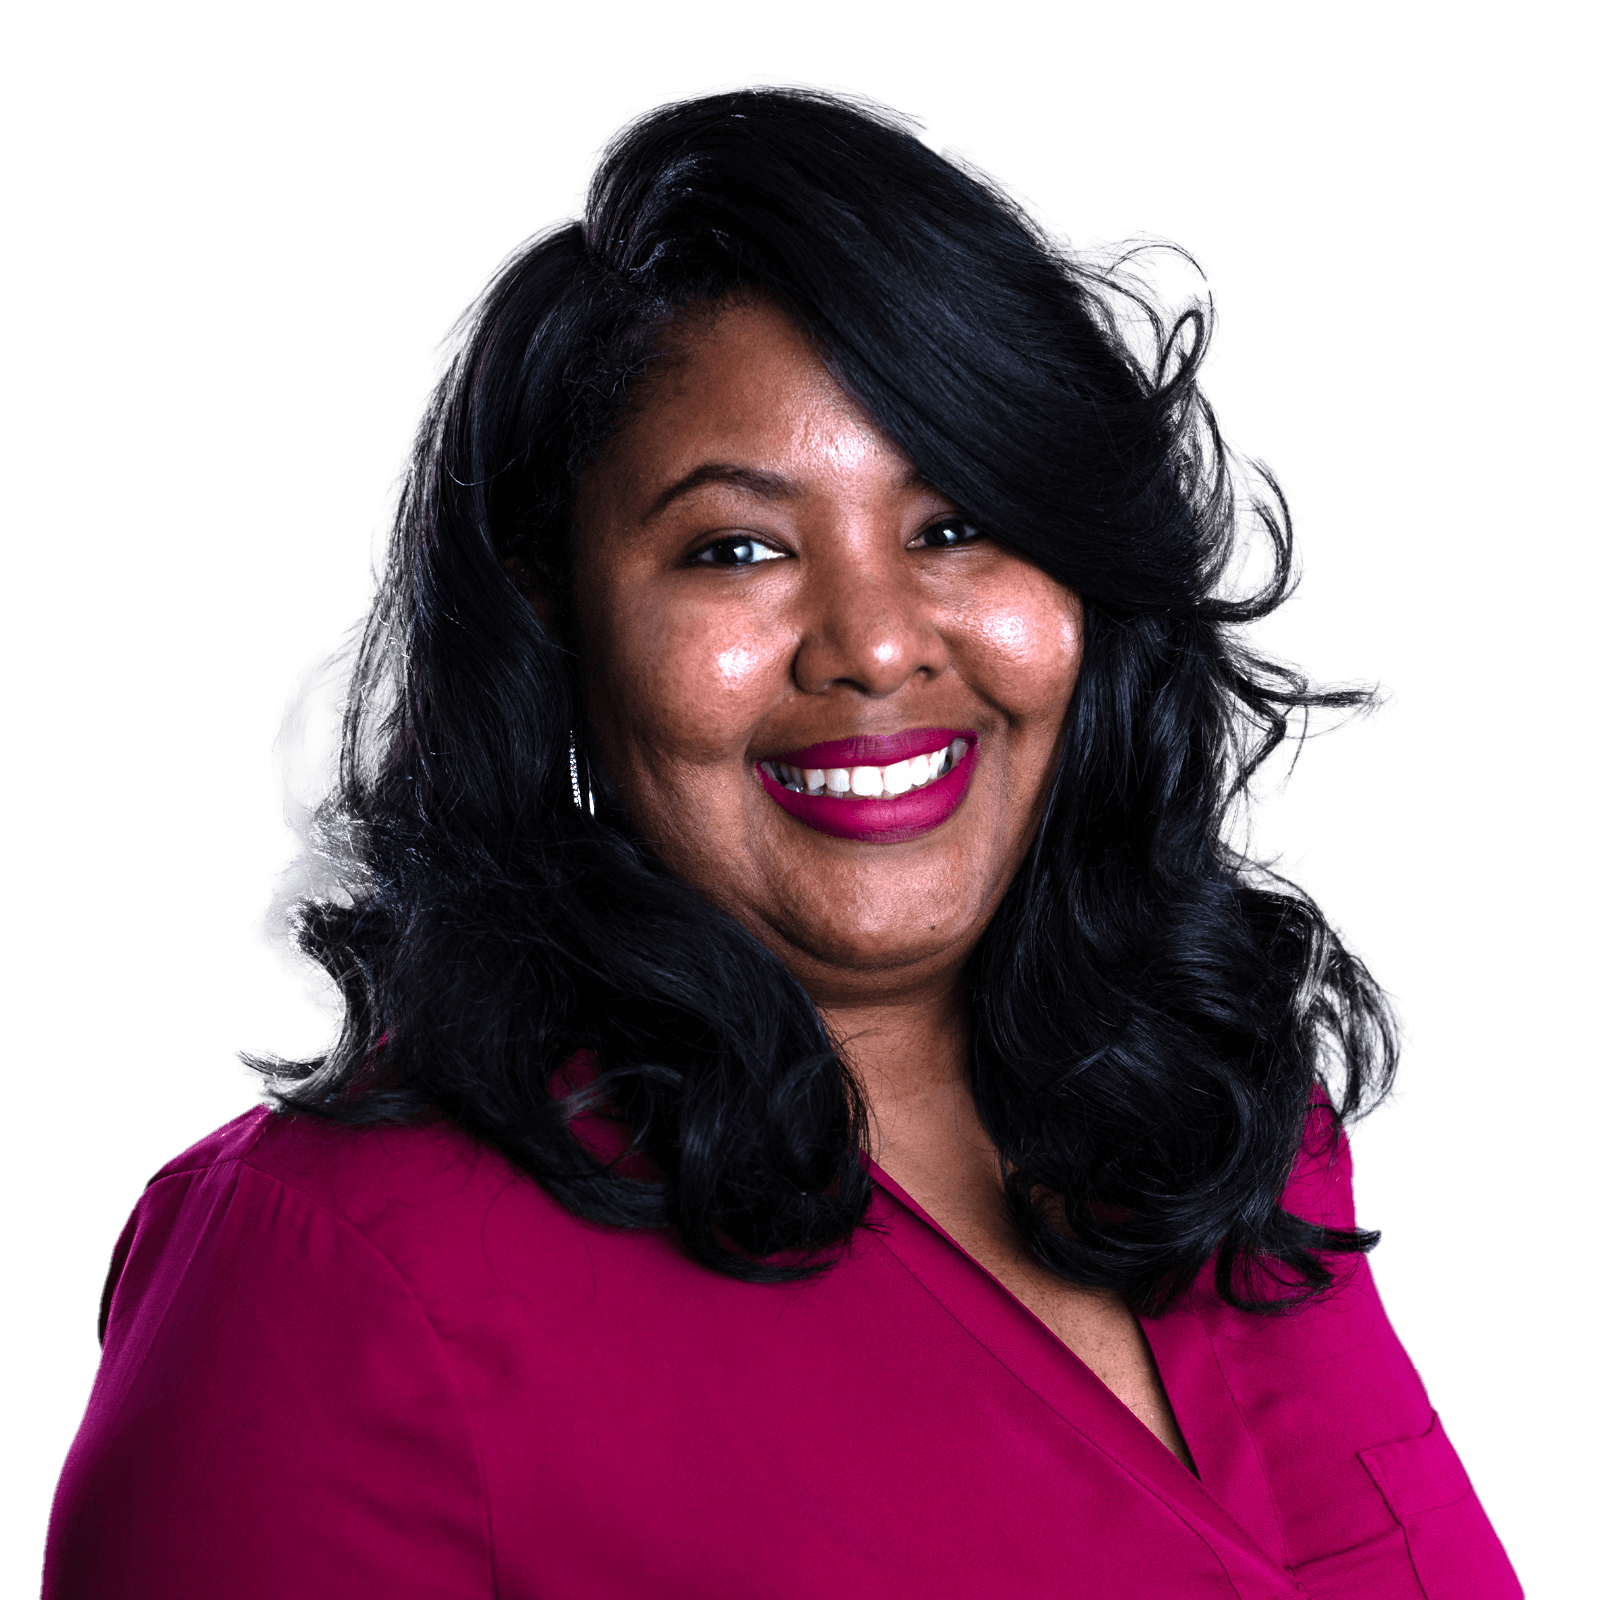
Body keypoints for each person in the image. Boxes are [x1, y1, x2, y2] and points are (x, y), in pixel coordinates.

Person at [42, 80, 1521, 1598]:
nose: (875, 648)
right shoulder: (335, 1277)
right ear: (561, 610)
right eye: (737, 548)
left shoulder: (1228, 1131)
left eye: (956, 523)